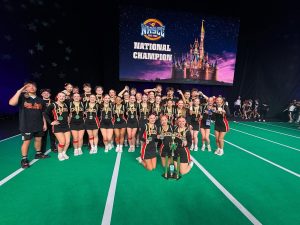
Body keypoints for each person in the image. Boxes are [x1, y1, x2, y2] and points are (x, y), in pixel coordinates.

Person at [9, 82, 49, 168]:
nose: (32, 87)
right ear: (25, 89)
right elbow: (11, 103)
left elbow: (43, 113)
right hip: (26, 125)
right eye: (29, 86)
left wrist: (44, 123)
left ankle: (38, 154)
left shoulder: (40, 100)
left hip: (39, 124)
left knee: (38, 139)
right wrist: (19, 91)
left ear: (36, 88)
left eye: (33, 86)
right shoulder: (22, 97)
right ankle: (24, 159)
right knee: (26, 141)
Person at [44, 92, 70, 161]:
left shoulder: (66, 105)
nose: (62, 97)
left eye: (63, 96)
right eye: (60, 96)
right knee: (62, 142)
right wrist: (51, 122)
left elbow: (68, 114)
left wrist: (69, 120)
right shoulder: (53, 105)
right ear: (57, 97)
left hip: (66, 126)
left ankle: (64, 153)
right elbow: (45, 113)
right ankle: (60, 154)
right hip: (57, 126)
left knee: (67, 142)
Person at [40, 88, 57, 153]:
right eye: (44, 93)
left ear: (50, 94)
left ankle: (53, 147)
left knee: (53, 135)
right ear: (41, 94)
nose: (46, 94)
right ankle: (42, 150)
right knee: (43, 136)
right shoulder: (40, 102)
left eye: (47, 93)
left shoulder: (53, 102)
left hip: (52, 121)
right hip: (43, 121)